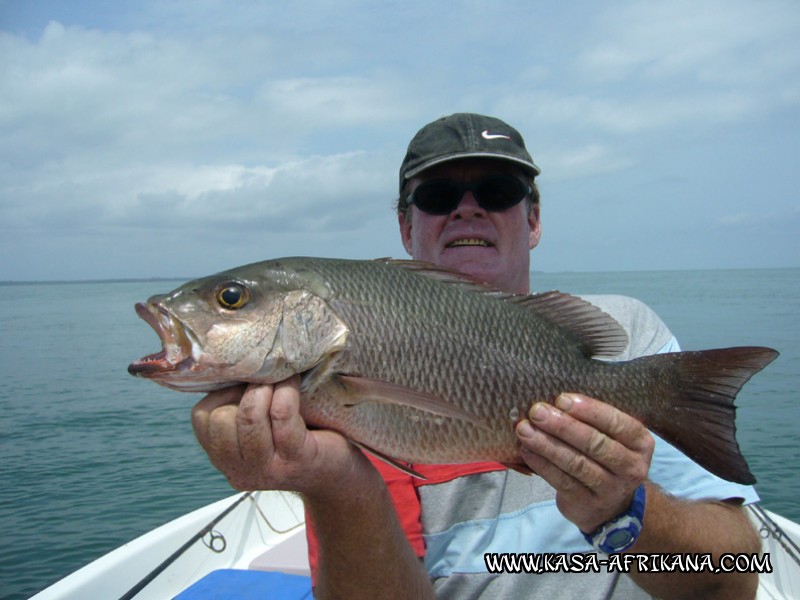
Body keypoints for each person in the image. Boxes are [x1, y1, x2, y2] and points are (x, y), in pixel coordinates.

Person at [192, 113, 761, 599]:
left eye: (497, 192)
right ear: (404, 226)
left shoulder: (631, 335)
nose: (468, 210)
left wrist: (625, 511)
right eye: (438, 198)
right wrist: (336, 483)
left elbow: (734, 580)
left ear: (532, 220)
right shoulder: (321, 412)